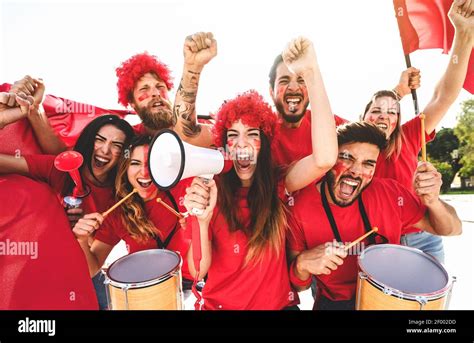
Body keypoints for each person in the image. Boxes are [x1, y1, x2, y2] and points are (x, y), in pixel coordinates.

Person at [182, 37, 338, 310]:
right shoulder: (211, 190)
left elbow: (324, 159)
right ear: (223, 143)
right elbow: (196, 272)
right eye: (233, 136)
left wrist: (311, 74)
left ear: (264, 144)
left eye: (252, 135)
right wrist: (201, 222)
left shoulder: (279, 183)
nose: (241, 144)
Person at [287, 121, 462, 310]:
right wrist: (302, 265)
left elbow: (453, 228)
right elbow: (300, 286)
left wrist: (433, 202)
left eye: (368, 164)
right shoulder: (299, 206)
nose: (355, 171)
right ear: (330, 160)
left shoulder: (391, 193)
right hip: (335, 304)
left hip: (389, 299)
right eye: (347, 158)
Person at [361, 0, 473, 263]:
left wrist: (463, 34)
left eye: (392, 113)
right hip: (376, 241)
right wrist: (397, 93)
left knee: (429, 304)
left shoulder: (408, 137)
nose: (384, 116)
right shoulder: (349, 147)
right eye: (376, 111)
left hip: (424, 237)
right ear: (362, 117)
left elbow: (442, 96)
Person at [0, 114, 134, 309]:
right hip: (38, 261)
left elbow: (92, 269)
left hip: (80, 269)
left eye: (117, 146)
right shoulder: (60, 168)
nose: (105, 150)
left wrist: (81, 238)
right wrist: (3, 120)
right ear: (89, 140)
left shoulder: (118, 201)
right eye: (100, 139)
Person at [71, 135, 194, 303]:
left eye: (152, 164)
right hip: (143, 291)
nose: (144, 172)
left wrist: (196, 221)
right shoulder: (116, 211)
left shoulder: (185, 188)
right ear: (125, 169)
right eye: (135, 163)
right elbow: (93, 268)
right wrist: (82, 240)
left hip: (188, 287)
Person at [115, 32, 215, 147]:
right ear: (132, 103)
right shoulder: (127, 139)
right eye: (144, 89)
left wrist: (193, 67)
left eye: (160, 87)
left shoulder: (206, 127)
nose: (156, 93)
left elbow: (187, 134)